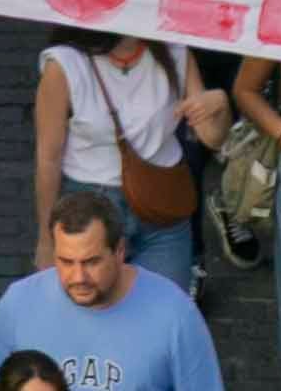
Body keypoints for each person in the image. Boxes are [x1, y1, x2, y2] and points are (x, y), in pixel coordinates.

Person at [0, 187, 215, 391]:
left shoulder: (175, 315)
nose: (78, 277)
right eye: (66, 262)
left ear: (120, 251)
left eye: (92, 262)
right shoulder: (18, 302)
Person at [32, 42, 227, 293]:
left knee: (160, 316)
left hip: (163, 208)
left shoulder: (176, 53)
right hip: (87, 210)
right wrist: (47, 242)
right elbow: (48, 158)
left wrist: (221, 106)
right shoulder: (64, 63)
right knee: (90, 321)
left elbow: (212, 138)